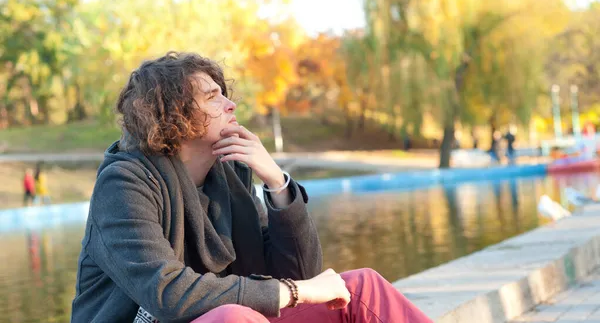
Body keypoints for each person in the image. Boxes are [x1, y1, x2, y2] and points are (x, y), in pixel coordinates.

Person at [70, 52, 432, 323]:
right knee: (233, 318)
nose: (230, 104)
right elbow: (168, 293)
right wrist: (295, 293)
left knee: (360, 288)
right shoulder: (123, 185)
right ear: (172, 113)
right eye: (212, 97)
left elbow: (299, 271)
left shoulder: (229, 175)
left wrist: (276, 183)